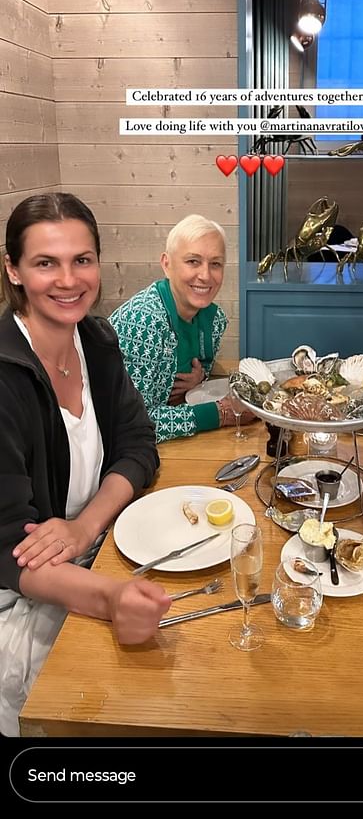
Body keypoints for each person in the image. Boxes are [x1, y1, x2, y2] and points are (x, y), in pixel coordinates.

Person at [0, 193, 171, 736]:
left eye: (82, 259)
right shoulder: (4, 378)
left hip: (93, 550)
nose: (69, 280)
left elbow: (139, 444)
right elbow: (8, 549)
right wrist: (108, 596)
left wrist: (84, 526)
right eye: (45, 262)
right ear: (14, 270)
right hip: (22, 592)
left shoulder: (95, 339)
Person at [109, 214, 254, 441]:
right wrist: (221, 414)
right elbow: (137, 423)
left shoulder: (214, 320)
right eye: (193, 261)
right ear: (167, 264)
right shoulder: (145, 321)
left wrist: (199, 378)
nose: (205, 275)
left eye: (215, 264)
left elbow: (198, 372)